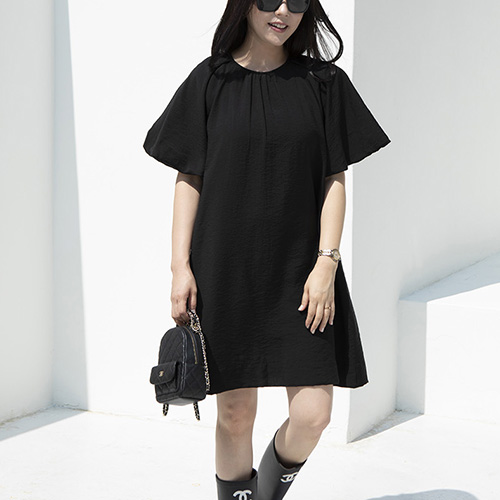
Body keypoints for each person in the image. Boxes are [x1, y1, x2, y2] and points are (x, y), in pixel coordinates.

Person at [143, 0, 390, 498]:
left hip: (303, 274)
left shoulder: (324, 84)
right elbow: (189, 179)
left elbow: (334, 180)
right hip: (225, 270)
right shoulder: (210, 81)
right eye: (269, 0)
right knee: (235, 413)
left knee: (313, 413)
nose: (283, 11)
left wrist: (326, 263)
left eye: (296, 2)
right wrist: (179, 267)